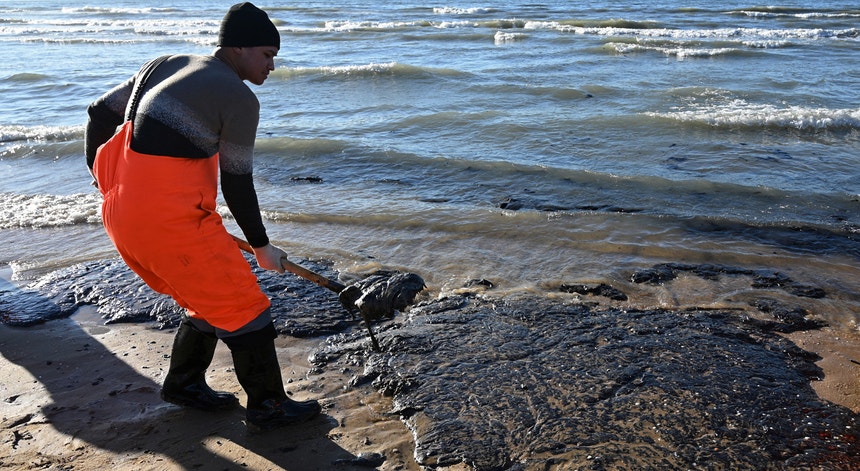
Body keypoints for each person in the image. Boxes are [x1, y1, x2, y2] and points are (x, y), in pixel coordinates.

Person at [84, 2, 321, 431]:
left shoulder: (165, 63)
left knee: (206, 299)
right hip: (169, 223)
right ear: (239, 46)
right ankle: (269, 408)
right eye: (267, 54)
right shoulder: (237, 97)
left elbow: (98, 114)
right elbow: (237, 182)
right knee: (246, 303)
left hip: (121, 213)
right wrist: (262, 246)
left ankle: (184, 385)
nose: (272, 65)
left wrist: (103, 181)